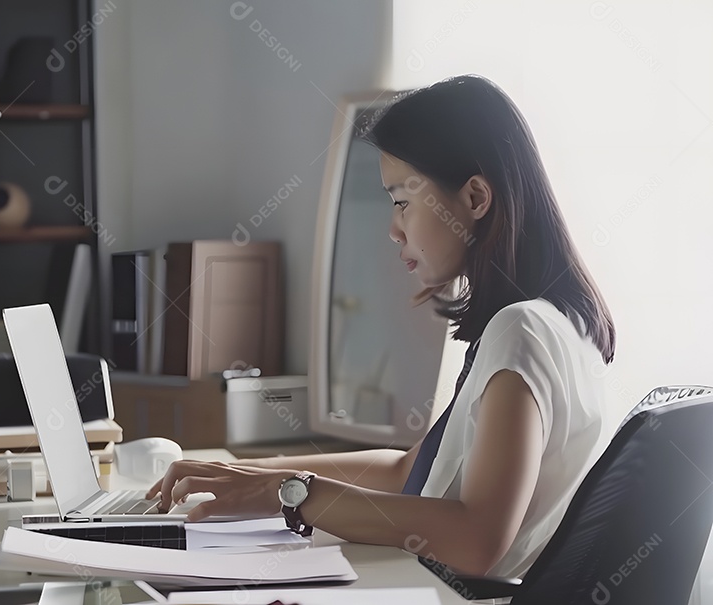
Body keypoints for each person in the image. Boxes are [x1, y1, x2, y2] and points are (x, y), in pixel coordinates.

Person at [146, 74, 617, 580]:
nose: (394, 230)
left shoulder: (521, 330)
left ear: (476, 198)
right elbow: (407, 471)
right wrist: (255, 475)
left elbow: (477, 538)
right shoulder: (557, 321)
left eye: (401, 202)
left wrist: (293, 494)